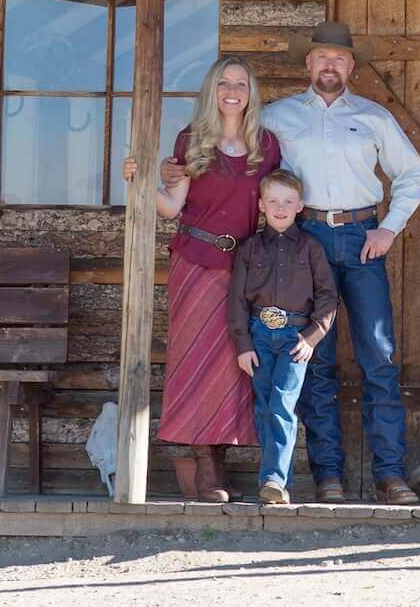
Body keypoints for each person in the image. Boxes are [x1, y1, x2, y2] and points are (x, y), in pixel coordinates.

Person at [260, 21, 420, 505]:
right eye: (321, 57)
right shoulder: (276, 117)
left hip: (361, 239)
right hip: (304, 241)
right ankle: (327, 475)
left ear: (351, 67)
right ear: (307, 64)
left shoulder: (373, 117)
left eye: (339, 59)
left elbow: (411, 171)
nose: (330, 65)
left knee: (379, 356)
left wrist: (388, 227)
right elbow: (240, 162)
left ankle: (391, 475)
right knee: (316, 360)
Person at [120, 56, 280, 503]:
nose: (233, 91)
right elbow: (172, 207)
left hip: (246, 266)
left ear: (252, 93)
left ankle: (225, 458)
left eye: (242, 84)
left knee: (235, 363)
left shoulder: (266, 145)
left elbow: (275, 205)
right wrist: (138, 181)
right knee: (194, 360)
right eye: (225, 83)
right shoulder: (193, 139)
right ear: (212, 91)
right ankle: (206, 465)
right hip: (195, 260)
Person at [228, 169, 338, 505]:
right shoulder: (249, 249)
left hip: (295, 337)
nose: (280, 207)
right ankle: (276, 481)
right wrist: (243, 345)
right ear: (261, 205)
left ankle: (274, 480)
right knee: (264, 408)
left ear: (300, 205)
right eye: (273, 201)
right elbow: (236, 300)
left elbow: (328, 297)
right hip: (260, 334)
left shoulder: (311, 248)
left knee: (282, 405)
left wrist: (312, 337)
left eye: (288, 201)